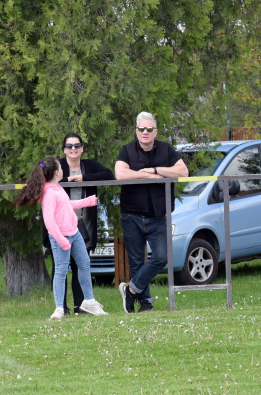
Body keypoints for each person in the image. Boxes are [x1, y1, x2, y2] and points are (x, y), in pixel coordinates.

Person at [13, 157, 107, 319]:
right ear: (57, 172)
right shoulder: (49, 193)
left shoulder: (58, 188)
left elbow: (67, 205)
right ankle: (59, 309)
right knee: (61, 271)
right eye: (60, 167)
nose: (63, 168)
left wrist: (88, 201)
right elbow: (49, 222)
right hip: (60, 238)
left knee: (84, 265)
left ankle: (90, 301)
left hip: (75, 233)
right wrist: (62, 241)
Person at [114, 112, 188, 314]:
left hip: (158, 216)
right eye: (141, 129)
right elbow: (120, 174)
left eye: (149, 129)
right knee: (137, 261)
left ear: (155, 131)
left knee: (161, 257)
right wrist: (145, 174)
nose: (145, 132)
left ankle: (130, 290)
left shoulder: (166, 149)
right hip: (132, 215)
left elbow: (183, 172)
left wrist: (154, 170)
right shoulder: (127, 150)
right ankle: (145, 304)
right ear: (136, 131)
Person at [46, 133, 114, 314]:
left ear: (82, 148)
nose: (73, 149)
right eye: (69, 146)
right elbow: (46, 181)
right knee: (60, 267)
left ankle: (81, 305)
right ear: (64, 150)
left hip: (83, 223)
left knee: (81, 265)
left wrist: (84, 178)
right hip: (60, 226)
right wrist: (67, 180)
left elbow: (108, 174)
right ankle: (61, 308)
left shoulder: (89, 165)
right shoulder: (58, 167)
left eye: (77, 145)